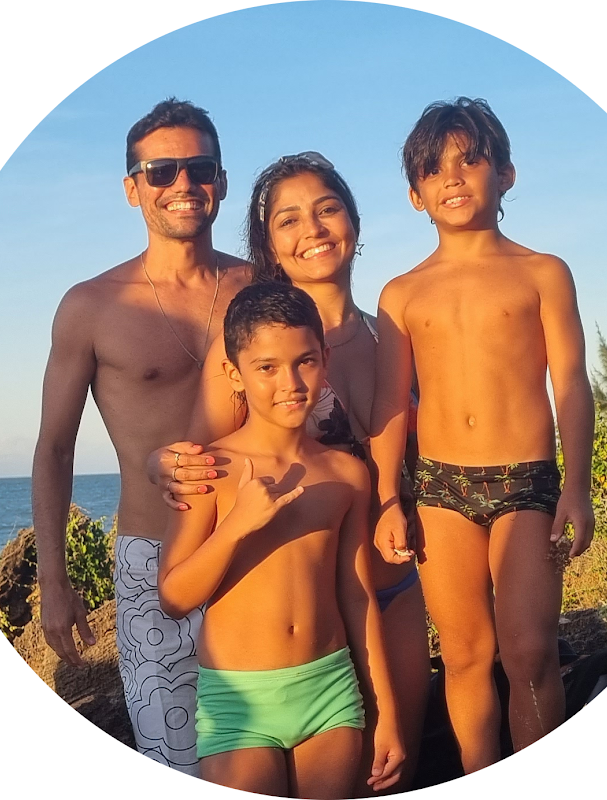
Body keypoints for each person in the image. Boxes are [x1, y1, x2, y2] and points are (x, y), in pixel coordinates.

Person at [150, 152, 431, 792]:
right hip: (259, 655)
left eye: (328, 208)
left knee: (397, 769)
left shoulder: (392, 336)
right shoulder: (253, 339)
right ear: (268, 242)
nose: (313, 228)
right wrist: (156, 462)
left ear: (354, 219)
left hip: (386, 589)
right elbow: (197, 460)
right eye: (289, 219)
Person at [370, 97, 595, 774]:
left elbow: (571, 382)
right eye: (434, 169)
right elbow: (390, 404)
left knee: (530, 651)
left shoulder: (543, 272)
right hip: (440, 487)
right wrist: (388, 499)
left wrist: (577, 488)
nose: (454, 177)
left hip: (527, 481)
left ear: (506, 174)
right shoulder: (401, 294)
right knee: (465, 655)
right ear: (415, 196)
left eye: (470, 160)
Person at [31, 98, 249, 775]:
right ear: (133, 188)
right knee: (173, 760)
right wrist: (54, 580)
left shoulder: (260, 287)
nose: (183, 184)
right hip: (151, 557)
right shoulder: (92, 306)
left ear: (221, 181)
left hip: (257, 547)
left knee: (269, 751)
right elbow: (54, 449)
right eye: (160, 172)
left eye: (200, 168)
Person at [158, 282, 405, 797]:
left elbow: (357, 595)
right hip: (239, 701)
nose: (289, 382)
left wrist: (385, 712)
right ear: (234, 373)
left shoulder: (346, 473)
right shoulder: (209, 469)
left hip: (330, 691)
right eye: (266, 367)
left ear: (325, 358)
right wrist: (237, 525)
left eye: (305, 361)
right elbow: (174, 598)